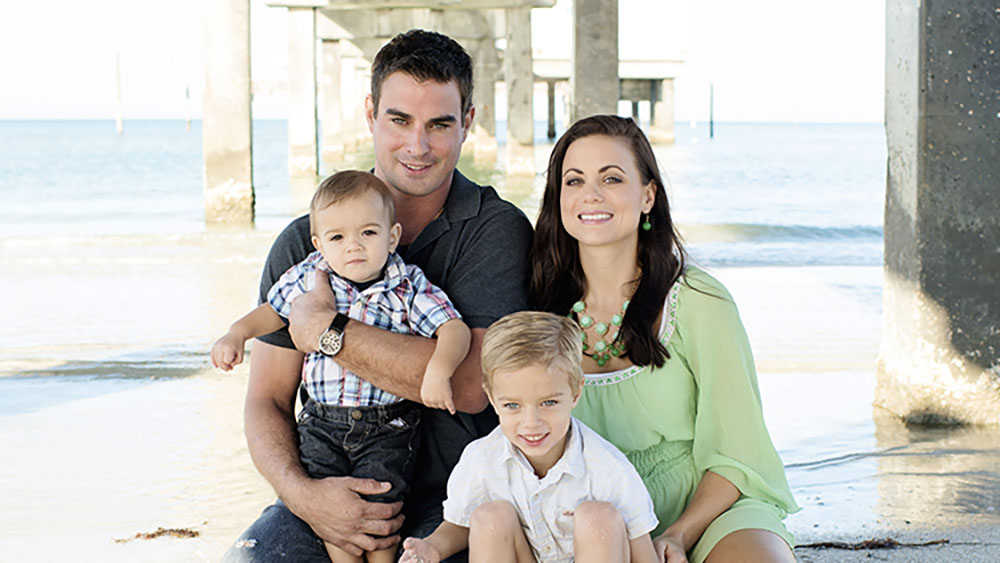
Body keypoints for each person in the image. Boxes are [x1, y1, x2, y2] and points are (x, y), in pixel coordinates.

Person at [223, 30, 533, 562]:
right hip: (326, 489)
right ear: (370, 114)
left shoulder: (495, 230)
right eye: (399, 120)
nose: (418, 146)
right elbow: (267, 398)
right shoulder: (304, 243)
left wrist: (328, 332)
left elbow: (468, 385)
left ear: (468, 122)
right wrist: (304, 496)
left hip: (458, 503)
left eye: (439, 124)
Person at [529, 115, 800, 563]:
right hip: (590, 516)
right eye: (574, 180)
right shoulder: (537, 310)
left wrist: (677, 535)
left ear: (648, 195)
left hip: (704, 509)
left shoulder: (699, 300)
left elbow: (737, 451)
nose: (590, 195)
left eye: (612, 178)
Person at [212, 170, 471, 562]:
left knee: (382, 513)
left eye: (368, 233)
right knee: (334, 520)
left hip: (388, 426)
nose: (354, 246)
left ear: (392, 237)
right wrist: (236, 334)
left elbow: (453, 329)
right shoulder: (310, 276)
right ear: (319, 244)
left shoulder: (406, 286)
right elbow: (272, 311)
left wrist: (440, 369)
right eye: (337, 238)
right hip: (321, 424)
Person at [401, 311, 660, 563]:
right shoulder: (481, 460)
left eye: (548, 402)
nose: (531, 423)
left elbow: (643, 555)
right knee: (490, 516)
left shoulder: (609, 470)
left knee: (598, 517)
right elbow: (459, 526)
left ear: (575, 392)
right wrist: (431, 548)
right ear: (492, 398)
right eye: (513, 405)